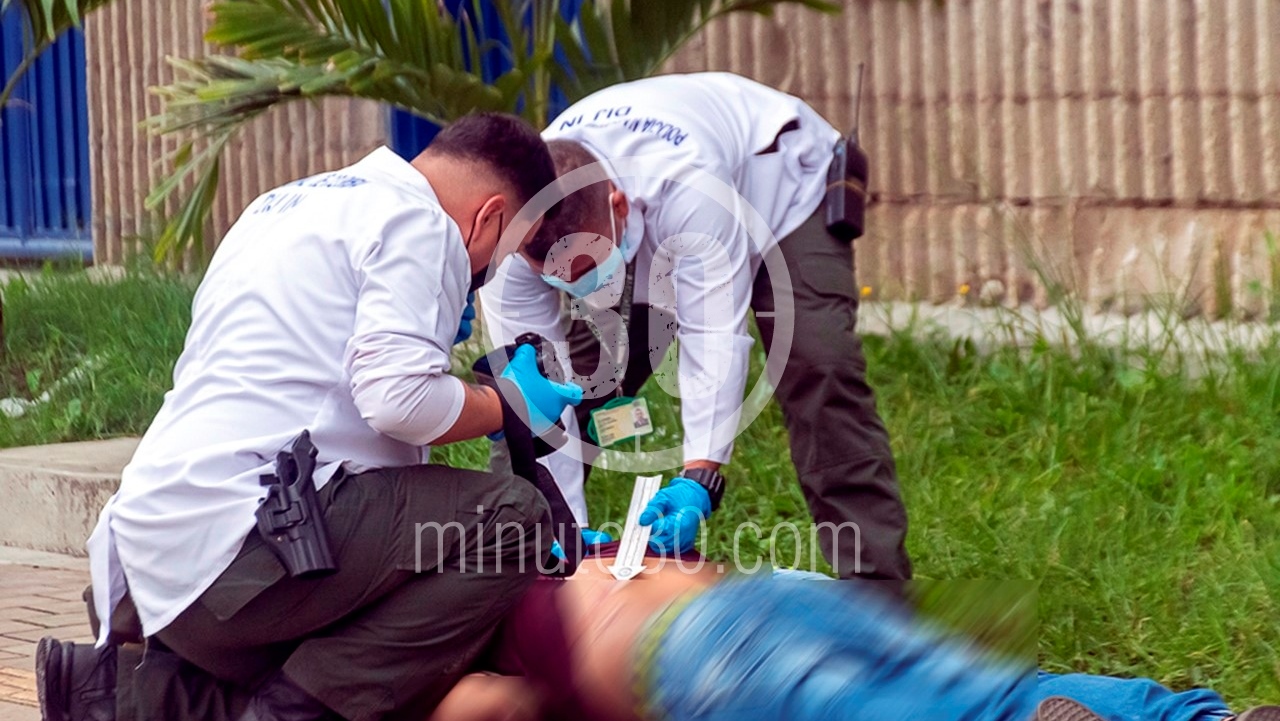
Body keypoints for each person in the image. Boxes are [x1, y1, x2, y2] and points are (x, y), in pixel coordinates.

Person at [35, 113, 586, 721]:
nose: (486, 276)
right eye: (501, 257)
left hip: (151, 549)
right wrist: (506, 402)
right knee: (510, 521)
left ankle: (121, 691)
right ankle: (293, 714)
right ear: (490, 218)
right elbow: (397, 401)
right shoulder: (421, 221)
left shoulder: (281, 204)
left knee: (379, 606)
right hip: (240, 556)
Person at [479, 71, 910, 582]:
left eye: (585, 268)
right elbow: (535, 397)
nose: (573, 286)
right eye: (555, 276)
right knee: (558, 391)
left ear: (617, 204)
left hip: (782, 192)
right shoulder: (514, 236)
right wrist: (560, 531)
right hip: (648, 231)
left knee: (819, 365)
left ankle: (877, 590)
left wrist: (699, 477)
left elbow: (712, 334)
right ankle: (521, 572)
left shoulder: (688, 183)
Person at [419, 549, 1279, 721]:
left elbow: (484, 705)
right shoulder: (556, 560)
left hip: (701, 660)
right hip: (773, 590)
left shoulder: (441, 646)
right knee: (998, 688)